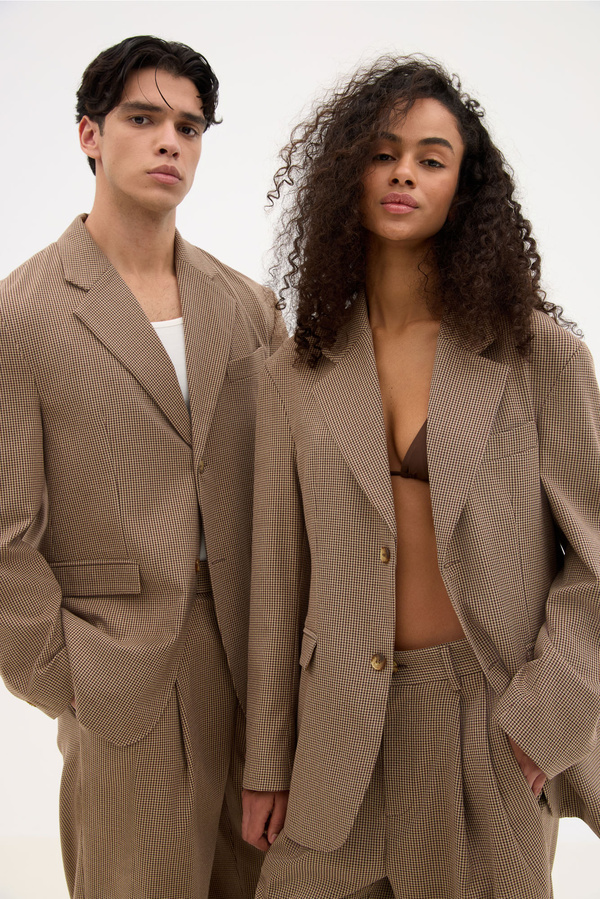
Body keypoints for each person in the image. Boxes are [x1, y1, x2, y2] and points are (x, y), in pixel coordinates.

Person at [241, 56, 600, 898]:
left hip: (486, 721)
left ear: (463, 190)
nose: (404, 172)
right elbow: (277, 581)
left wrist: (541, 722)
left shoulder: (537, 353)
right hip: (335, 739)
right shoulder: (293, 372)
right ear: (347, 176)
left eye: (432, 159)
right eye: (383, 152)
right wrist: (266, 761)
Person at [0, 34, 285, 899]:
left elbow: (285, 498)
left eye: (189, 127)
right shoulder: (24, 312)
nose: (170, 141)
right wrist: (72, 683)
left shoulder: (248, 306)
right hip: (121, 685)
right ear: (89, 133)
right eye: (143, 118)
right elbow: (7, 536)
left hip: (260, 683)